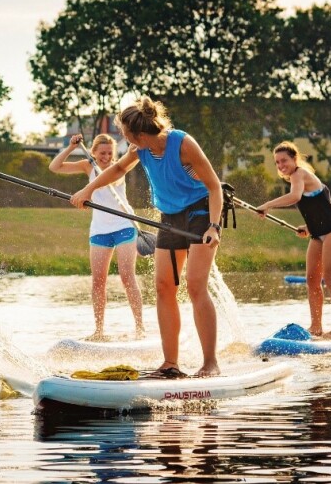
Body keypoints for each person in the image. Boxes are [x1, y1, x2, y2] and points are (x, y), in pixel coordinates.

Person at [70, 98, 225, 378]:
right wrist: (89, 190)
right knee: (164, 286)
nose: (123, 138)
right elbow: (117, 170)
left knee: (195, 286)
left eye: (125, 133)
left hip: (201, 213)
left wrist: (214, 226)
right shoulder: (139, 149)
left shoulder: (183, 143)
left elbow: (215, 187)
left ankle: (210, 362)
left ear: (139, 135)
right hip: (169, 217)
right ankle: (170, 364)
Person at [50, 133, 145, 340]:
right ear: (93, 152)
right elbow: (55, 167)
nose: (106, 157)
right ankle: (99, 331)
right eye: (102, 153)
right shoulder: (87, 165)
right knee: (98, 282)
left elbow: (108, 180)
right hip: (100, 230)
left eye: (110, 153)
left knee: (127, 277)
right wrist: (70, 147)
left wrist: (86, 191)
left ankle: (140, 329)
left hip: (124, 225)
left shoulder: (119, 166)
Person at [253, 141, 331, 339]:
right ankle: (316, 327)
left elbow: (295, 197)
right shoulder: (296, 178)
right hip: (319, 232)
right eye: (277, 162)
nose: (281, 165)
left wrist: (268, 205)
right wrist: (309, 227)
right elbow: (321, 207)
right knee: (312, 280)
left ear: (294, 159)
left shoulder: (299, 174)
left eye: (284, 160)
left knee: (330, 279)